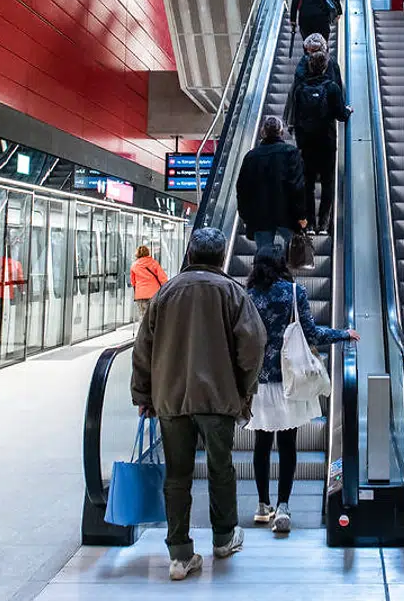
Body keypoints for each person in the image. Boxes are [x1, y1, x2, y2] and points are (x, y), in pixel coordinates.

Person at [132, 227, 267, 581]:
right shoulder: (233, 293)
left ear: (190, 255)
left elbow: (143, 349)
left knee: (177, 476)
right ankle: (223, 538)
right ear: (222, 257)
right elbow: (253, 347)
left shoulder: (166, 293)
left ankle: (179, 554)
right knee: (221, 469)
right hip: (218, 399)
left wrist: (143, 395)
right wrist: (244, 390)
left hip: (171, 399)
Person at [244, 252, 357, 534]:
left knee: (261, 444)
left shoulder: (247, 296)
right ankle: (283, 506)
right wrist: (343, 334)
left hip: (259, 381)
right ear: (282, 265)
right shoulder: (294, 292)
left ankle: (262, 505)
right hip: (289, 379)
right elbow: (311, 334)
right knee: (287, 445)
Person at [290, 51, 351, 233]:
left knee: (307, 184)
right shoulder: (332, 87)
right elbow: (340, 115)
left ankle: (309, 224)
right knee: (327, 181)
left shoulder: (300, 89)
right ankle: (324, 223)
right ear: (325, 67)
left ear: (309, 66)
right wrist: (348, 111)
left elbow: (296, 116)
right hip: (326, 141)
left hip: (306, 143)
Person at [236, 116, 307, 257]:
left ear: (263, 132)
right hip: (287, 215)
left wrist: (245, 216)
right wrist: (301, 215)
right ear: (281, 132)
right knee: (294, 255)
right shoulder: (291, 152)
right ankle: (286, 276)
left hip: (260, 216)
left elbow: (242, 189)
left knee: (264, 255)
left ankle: (265, 276)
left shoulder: (251, 156)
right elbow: (297, 186)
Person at [129, 244, 169, 317]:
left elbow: (133, 282)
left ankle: (143, 328)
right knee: (154, 316)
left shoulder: (134, 265)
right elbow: (163, 278)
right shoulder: (154, 263)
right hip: (154, 294)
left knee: (142, 316)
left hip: (140, 295)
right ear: (148, 252)